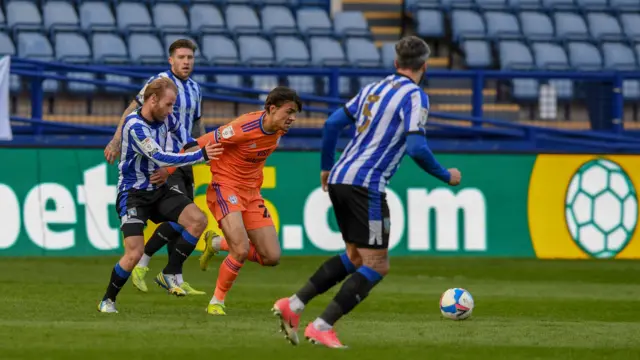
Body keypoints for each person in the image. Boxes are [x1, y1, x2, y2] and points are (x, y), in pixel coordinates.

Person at [271, 36, 462, 348]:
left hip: (339, 178)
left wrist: (325, 166)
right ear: (424, 66)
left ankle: (293, 305)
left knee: (355, 255)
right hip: (366, 186)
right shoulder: (415, 96)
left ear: (396, 63)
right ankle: (321, 325)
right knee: (376, 264)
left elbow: (332, 124)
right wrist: (446, 175)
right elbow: (416, 147)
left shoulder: (374, 89)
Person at [167, 86, 301, 315]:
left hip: (252, 193)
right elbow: (200, 143)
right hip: (225, 187)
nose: (292, 118)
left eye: (295, 113)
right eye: (288, 112)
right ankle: (216, 302)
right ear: (271, 109)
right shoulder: (244, 126)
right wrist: (168, 169)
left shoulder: (279, 130)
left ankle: (217, 243)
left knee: (271, 257)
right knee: (240, 248)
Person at [97, 77, 223, 313]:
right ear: (152, 99)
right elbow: (160, 157)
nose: (171, 110)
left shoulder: (168, 116)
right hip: (133, 193)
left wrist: (207, 155)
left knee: (198, 220)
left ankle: (169, 273)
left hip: (159, 189)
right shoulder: (135, 126)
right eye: (168, 104)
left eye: (173, 105)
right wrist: (201, 156)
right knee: (133, 253)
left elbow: (187, 140)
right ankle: (108, 300)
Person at [104, 39, 207, 295]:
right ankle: (145, 261)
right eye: (181, 57)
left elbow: (196, 125)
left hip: (184, 157)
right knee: (180, 215)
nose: (186, 62)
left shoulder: (195, 88)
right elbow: (133, 109)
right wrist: (116, 140)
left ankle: (173, 275)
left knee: (187, 219)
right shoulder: (159, 83)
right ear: (170, 60)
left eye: (190, 58)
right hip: (159, 160)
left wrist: (201, 150)